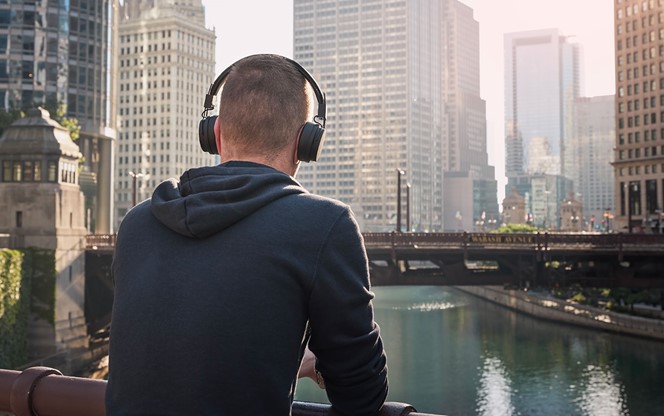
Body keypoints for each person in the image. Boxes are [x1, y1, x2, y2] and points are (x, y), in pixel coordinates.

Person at [106, 54, 388, 415]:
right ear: (305, 142)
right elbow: (362, 395)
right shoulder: (324, 225)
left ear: (216, 133)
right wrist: (312, 361)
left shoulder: (138, 223)